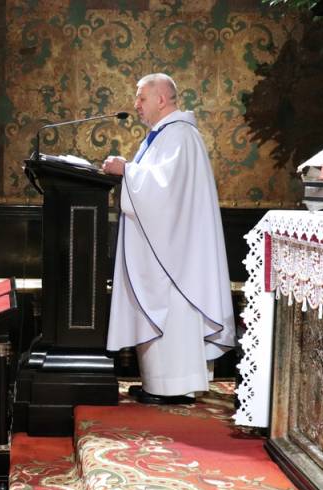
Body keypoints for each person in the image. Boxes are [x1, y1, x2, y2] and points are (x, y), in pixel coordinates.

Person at [103, 73, 236, 405]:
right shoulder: (165, 135)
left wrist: (126, 170)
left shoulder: (179, 135)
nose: (136, 105)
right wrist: (130, 172)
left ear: (161, 99)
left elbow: (164, 190)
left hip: (176, 258)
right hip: (166, 249)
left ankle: (173, 387)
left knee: (174, 313)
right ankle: (159, 384)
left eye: (141, 97)